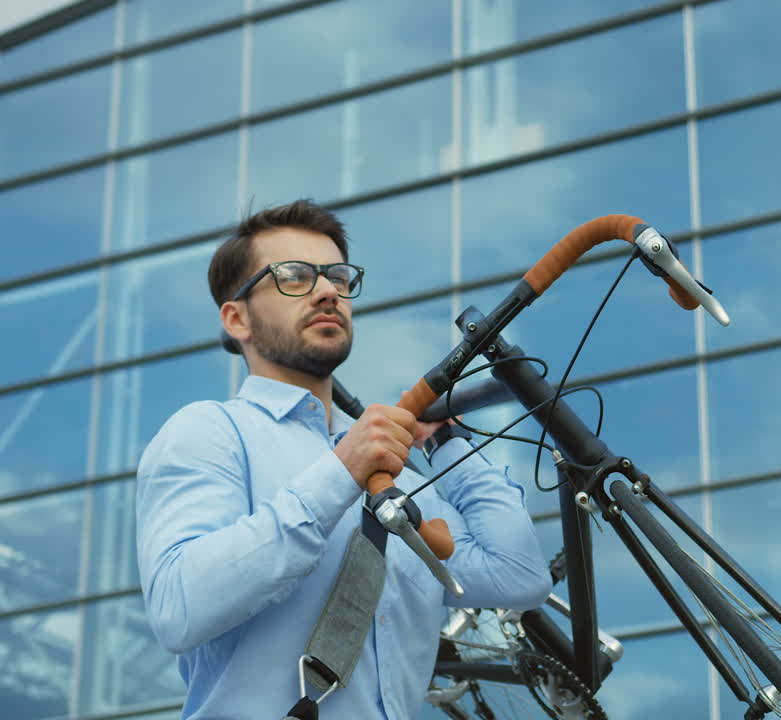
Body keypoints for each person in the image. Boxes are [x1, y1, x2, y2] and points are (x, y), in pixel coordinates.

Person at [135, 199, 551, 719]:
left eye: (337, 277)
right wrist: (339, 474)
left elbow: (518, 575)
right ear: (237, 318)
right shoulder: (210, 432)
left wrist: (447, 442)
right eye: (294, 276)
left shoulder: (390, 466)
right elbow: (178, 608)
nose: (328, 291)